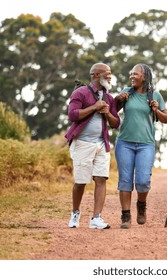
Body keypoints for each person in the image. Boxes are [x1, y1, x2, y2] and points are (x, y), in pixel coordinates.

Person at [114, 63, 167, 229]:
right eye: (131, 73)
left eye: (135, 74)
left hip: (146, 144)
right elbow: (113, 110)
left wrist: (156, 109)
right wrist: (118, 100)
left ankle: (141, 205)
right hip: (124, 142)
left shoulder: (155, 96)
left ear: (144, 77)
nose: (132, 76)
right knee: (125, 180)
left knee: (143, 180)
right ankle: (125, 215)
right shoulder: (127, 92)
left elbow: (166, 118)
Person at [65, 62, 120, 229]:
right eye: (107, 73)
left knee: (101, 178)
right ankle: (75, 213)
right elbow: (72, 115)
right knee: (81, 181)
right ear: (96, 75)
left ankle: (96, 218)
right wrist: (94, 107)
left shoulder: (109, 97)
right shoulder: (80, 93)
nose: (110, 76)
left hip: (101, 144)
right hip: (82, 143)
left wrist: (107, 113)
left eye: (110, 73)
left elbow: (116, 123)